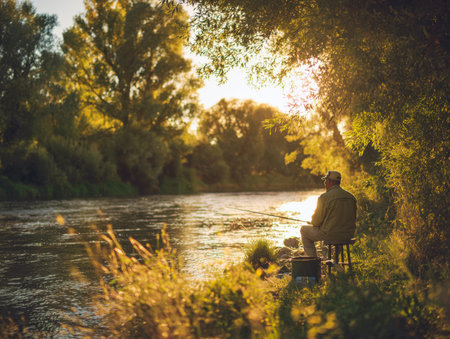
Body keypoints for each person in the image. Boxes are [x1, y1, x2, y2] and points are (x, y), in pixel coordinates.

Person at [300, 171, 357, 257]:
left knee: (303, 230)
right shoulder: (351, 197)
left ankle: (313, 263)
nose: (325, 184)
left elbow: (316, 222)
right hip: (348, 235)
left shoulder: (324, 197)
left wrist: (314, 222)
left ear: (329, 182)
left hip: (330, 234)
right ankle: (335, 260)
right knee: (338, 232)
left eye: (325, 181)